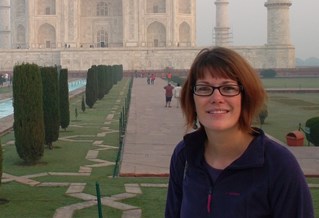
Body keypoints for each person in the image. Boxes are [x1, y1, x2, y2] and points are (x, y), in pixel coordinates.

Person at [165, 47, 314, 217]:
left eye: (228, 88)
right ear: (192, 98)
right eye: (204, 89)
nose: (216, 98)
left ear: (246, 96)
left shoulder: (277, 164)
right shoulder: (185, 155)